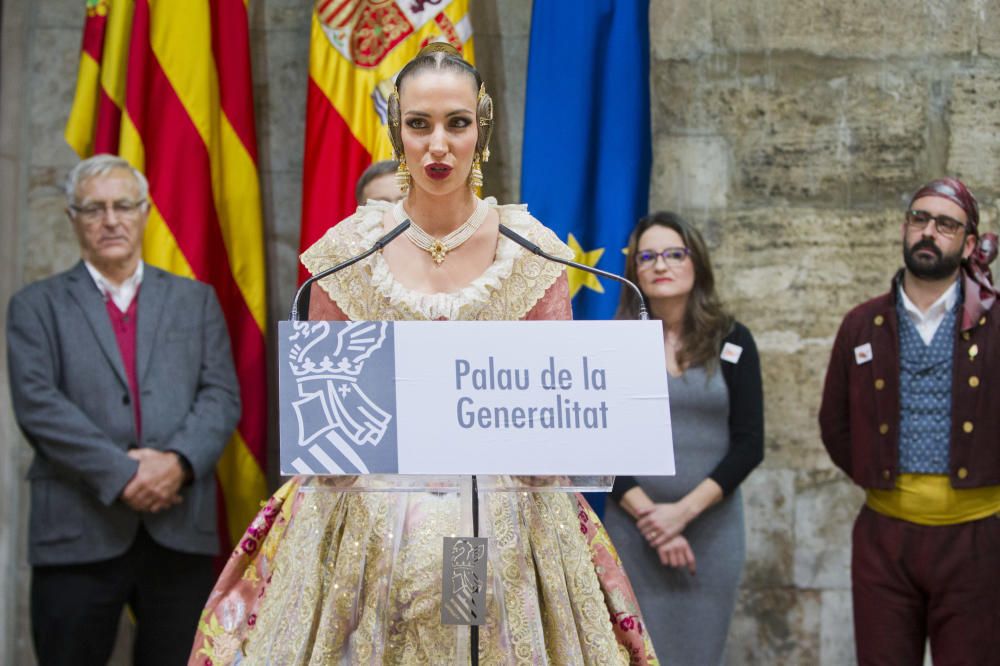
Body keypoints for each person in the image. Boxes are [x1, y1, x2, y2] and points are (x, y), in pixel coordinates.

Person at [188, 44, 657, 665]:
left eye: (457, 124)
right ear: (396, 132)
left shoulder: (531, 254)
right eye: (419, 124)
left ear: (481, 131)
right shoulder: (346, 255)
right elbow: (331, 432)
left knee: (465, 612)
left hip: (496, 511)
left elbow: (556, 428)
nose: (438, 145)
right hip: (363, 519)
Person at [7, 154, 241, 666]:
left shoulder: (195, 301)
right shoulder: (34, 306)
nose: (110, 220)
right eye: (93, 209)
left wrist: (175, 464)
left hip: (178, 526)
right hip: (77, 529)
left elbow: (221, 396)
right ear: (72, 218)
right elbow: (39, 407)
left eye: (122, 206)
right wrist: (125, 474)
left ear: (145, 212)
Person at [819, 177, 1000, 665]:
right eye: (919, 218)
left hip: (978, 539)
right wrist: (876, 477)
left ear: (967, 243)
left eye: (945, 224)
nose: (928, 231)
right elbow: (834, 424)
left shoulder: (997, 321)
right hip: (884, 538)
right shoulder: (863, 323)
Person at [603, 212, 764, 664]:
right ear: (634, 270)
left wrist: (682, 514)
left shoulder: (733, 340)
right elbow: (601, 444)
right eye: (647, 256)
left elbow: (750, 444)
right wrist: (654, 519)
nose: (660, 265)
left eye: (674, 254)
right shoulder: (614, 343)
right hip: (633, 530)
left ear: (697, 264)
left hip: (711, 533)